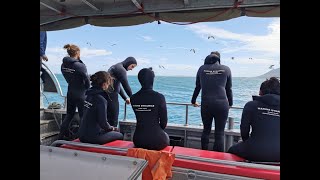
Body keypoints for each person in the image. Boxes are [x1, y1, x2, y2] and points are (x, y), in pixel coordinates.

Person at [228, 77, 280, 162]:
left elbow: (244, 131)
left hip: (255, 151)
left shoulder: (251, 105)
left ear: (261, 92)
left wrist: (248, 143)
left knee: (231, 150)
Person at [191, 54, 233, 152]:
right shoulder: (226, 69)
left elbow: (197, 87)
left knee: (206, 130)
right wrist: (230, 103)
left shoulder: (201, 69)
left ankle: (204, 154)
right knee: (220, 133)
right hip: (222, 105)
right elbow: (229, 89)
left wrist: (193, 101)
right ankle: (218, 159)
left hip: (206, 104)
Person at [78, 71, 124, 144]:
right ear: (104, 84)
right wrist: (112, 128)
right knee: (120, 135)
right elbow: (103, 124)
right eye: (109, 84)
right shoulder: (101, 100)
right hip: (93, 137)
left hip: (81, 135)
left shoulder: (87, 95)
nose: (109, 86)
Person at [131, 68, 170, 150]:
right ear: (152, 80)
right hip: (157, 140)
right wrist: (156, 131)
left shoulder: (133, 98)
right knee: (166, 136)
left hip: (138, 140)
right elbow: (164, 123)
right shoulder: (159, 97)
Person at [58, 44, 90, 140]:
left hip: (70, 91)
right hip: (81, 93)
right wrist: (88, 90)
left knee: (69, 115)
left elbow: (68, 77)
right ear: (77, 53)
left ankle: (60, 137)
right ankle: (82, 138)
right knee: (83, 116)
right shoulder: (80, 65)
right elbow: (87, 81)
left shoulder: (63, 65)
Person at [106, 57, 137, 127]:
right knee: (113, 120)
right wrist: (134, 99)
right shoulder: (121, 70)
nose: (131, 69)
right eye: (132, 66)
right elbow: (126, 86)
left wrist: (125, 98)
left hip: (107, 95)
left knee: (108, 118)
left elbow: (117, 85)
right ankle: (111, 136)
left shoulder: (115, 67)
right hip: (112, 97)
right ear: (128, 62)